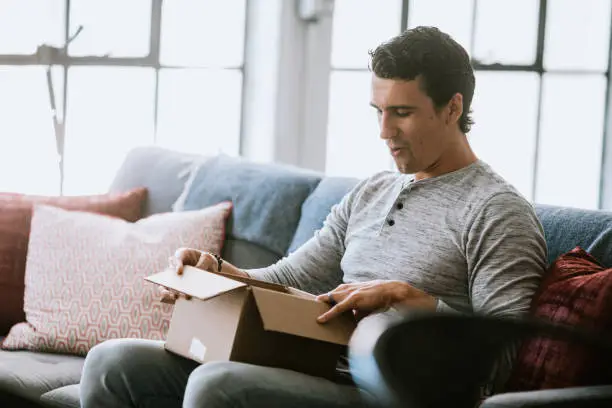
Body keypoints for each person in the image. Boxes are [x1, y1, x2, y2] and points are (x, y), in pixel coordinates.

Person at [79, 26, 547, 408]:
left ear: (453, 107)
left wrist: (412, 302)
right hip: (313, 363)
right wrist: (219, 273)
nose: (384, 131)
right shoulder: (373, 190)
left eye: (402, 113)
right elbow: (292, 276)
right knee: (111, 362)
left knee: (216, 387)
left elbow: (505, 355)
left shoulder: (497, 211)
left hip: (391, 390)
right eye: (378, 112)